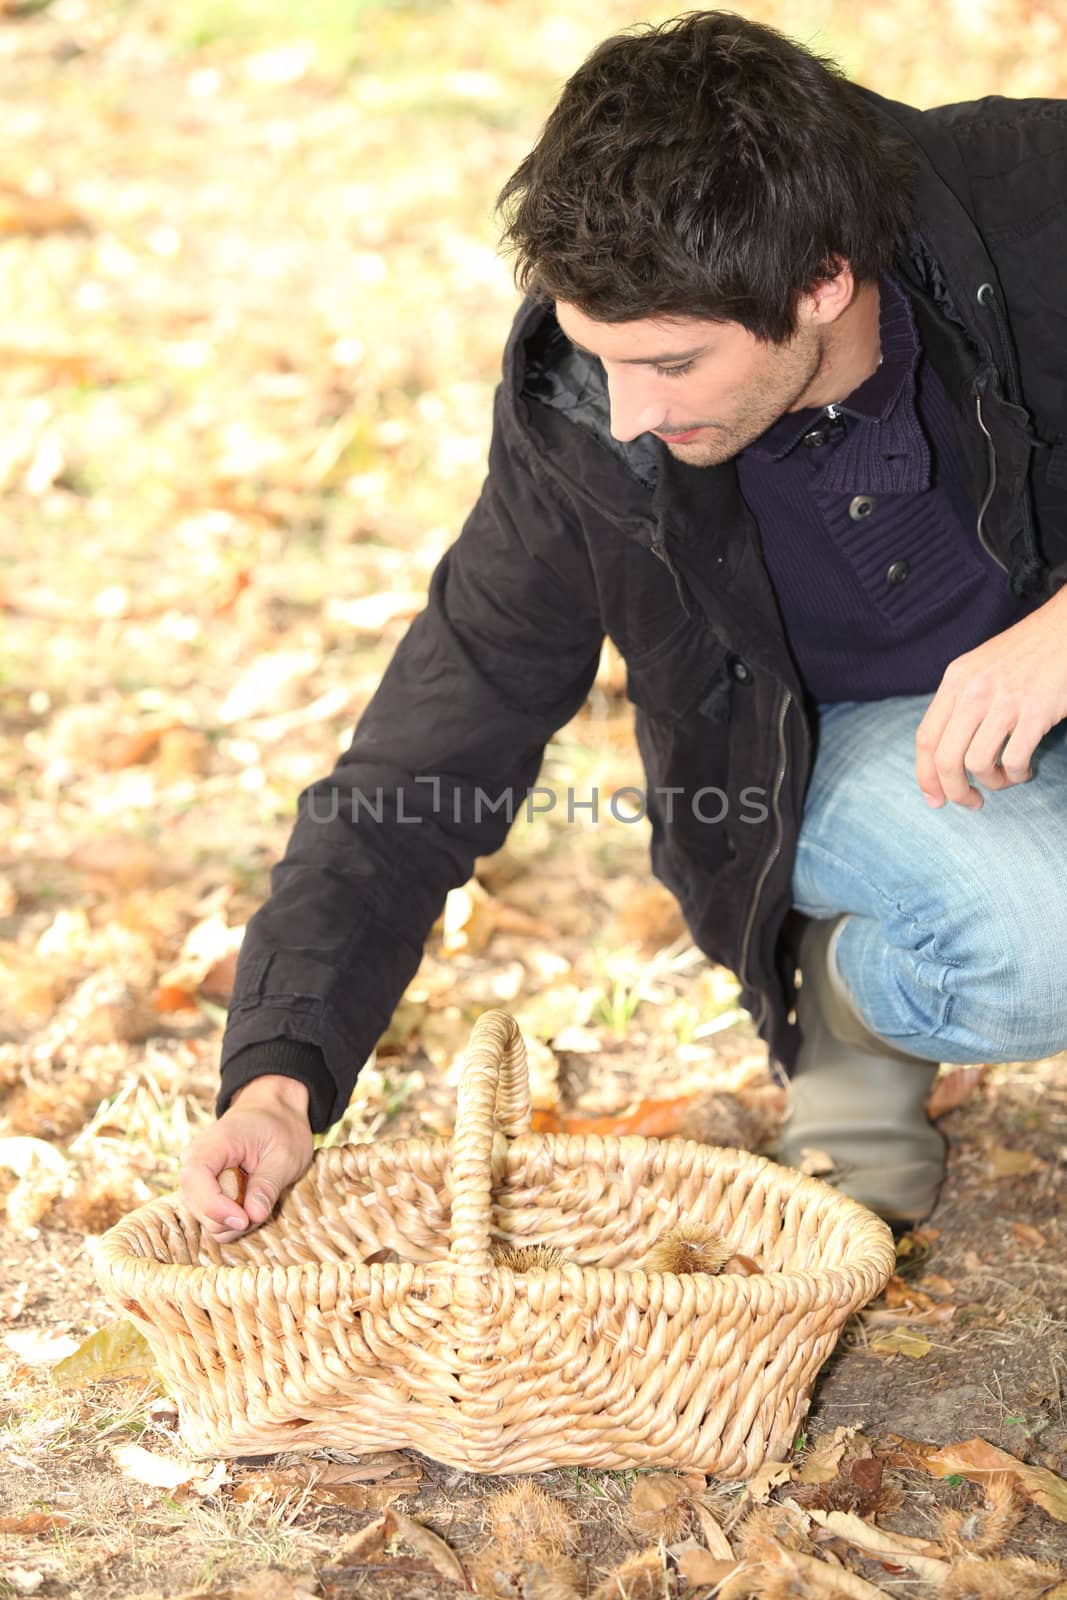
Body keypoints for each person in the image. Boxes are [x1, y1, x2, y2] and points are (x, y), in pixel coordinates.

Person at [179, 11, 1067, 1236]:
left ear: (821, 282)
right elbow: (432, 743)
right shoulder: (582, 421)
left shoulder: (1032, 207)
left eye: (673, 364)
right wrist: (278, 1069)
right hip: (828, 751)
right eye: (606, 359)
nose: (632, 414)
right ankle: (851, 1004)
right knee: (1039, 936)